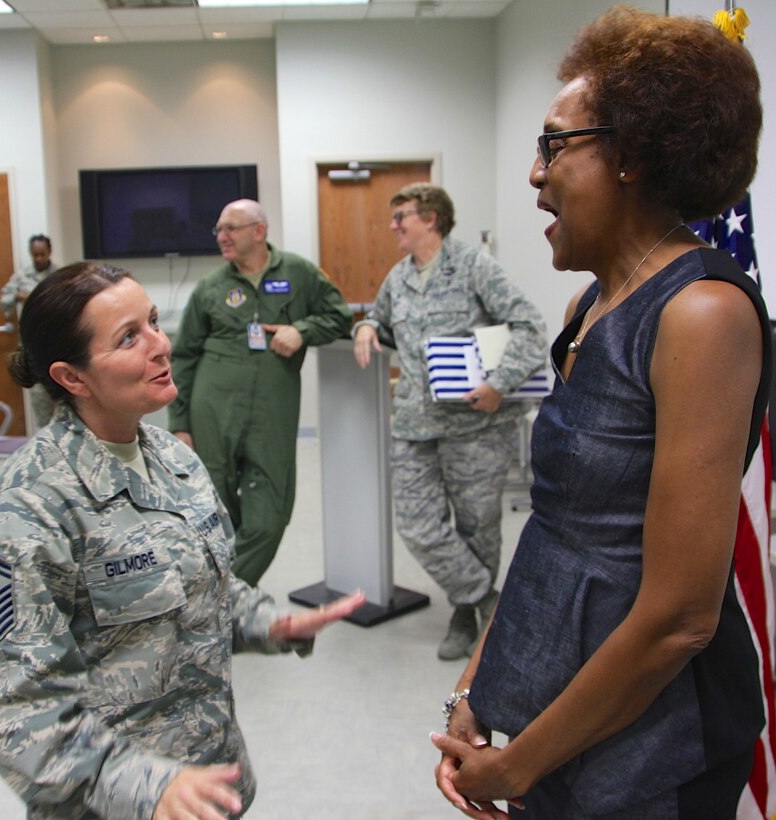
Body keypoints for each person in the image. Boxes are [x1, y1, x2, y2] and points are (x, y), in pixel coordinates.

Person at [430, 7, 770, 819]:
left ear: (633, 156)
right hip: (558, 721)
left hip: (652, 754)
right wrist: (480, 685)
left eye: (554, 144)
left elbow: (680, 619)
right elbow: (555, 526)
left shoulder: (700, 312)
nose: (534, 174)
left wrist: (517, 770)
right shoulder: (591, 301)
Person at [0, 262, 365, 820]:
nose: (161, 345)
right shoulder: (23, 512)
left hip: (210, 781)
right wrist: (144, 787)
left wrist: (267, 622)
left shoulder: (174, 460)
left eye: (153, 321)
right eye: (130, 337)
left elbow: (207, 585)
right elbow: (16, 711)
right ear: (71, 378)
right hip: (120, 804)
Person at [353, 183, 548, 660]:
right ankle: (485, 599)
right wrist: (363, 326)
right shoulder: (398, 278)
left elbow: (530, 326)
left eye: (402, 216)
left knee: (477, 523)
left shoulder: (474, 266)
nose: (394, 225)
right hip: (416, 423)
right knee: (417, 524)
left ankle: (466, 618)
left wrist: (499, 383)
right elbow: (378, 319)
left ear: (432, 219)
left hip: (476, 424)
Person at [169, 199, 352, 586]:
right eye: (218, 229)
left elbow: (339, 316)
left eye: (230, 228)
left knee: (270, 515)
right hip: (213, 407)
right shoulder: (210, 287)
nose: (222, 237)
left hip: (273, 408)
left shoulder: (299, 273)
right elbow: (183, 356)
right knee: (213, 511)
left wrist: (302, 330)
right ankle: (227, 606)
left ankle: (218, 595)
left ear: (259, 231)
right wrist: (180, 422)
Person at [0, 233, 57, 428]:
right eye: (35, 255)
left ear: (49, 252)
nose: (39, 258)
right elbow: (3, 302)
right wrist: (16, 296)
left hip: (57, 345)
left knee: (66, 406)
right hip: (33, 347)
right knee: (41, 407)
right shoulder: (21, 277)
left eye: (42, 254)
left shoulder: (59, 276)